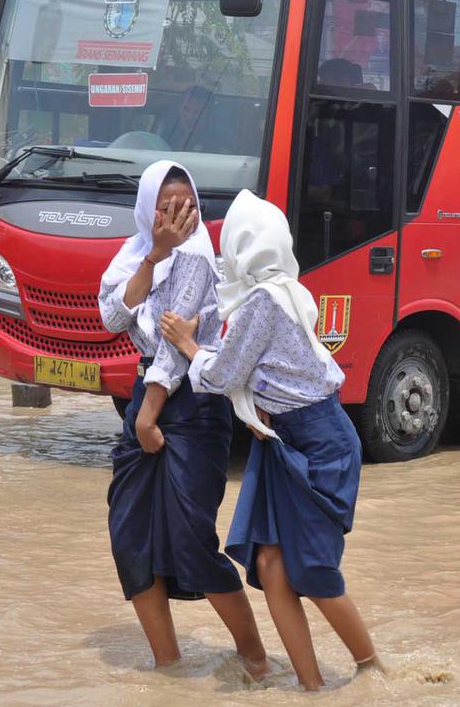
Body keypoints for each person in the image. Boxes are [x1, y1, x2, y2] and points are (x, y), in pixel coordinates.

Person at [159, 190, 381, 690]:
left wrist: (187, 344)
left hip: (319, 443)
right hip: (287, 441)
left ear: (241, 248)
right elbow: (255, 365)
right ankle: (311, 688)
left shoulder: (263, 301)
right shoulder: (283, 290)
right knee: (271, 566)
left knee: (314, 572)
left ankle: (372, 669)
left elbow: (220, 374)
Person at [97, 161, 268, 677]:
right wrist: (154, 254)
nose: (176, 216)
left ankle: (256, 660)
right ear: (148, 211)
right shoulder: (138, 255)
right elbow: (110, 316)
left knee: (192, 541)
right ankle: (168, 666)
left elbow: (174, 350)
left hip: (190, 405)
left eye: (185, 205)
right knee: (129, 537)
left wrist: (149, 418)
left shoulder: (195, 254)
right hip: (144, 399)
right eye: (165, 207)